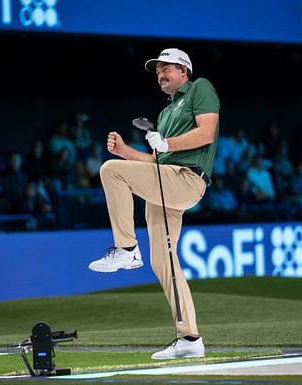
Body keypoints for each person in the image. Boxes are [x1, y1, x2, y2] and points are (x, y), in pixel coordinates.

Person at [88, 48, 220, 360]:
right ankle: (189, 337)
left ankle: (127, 249)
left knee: (109, 171)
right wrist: (126, 152)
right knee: (163, 262)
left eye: (166, 68)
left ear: (183, 71)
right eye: (158, 70)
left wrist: (168, 143)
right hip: (164, 181)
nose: (160, 74)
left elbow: (207, 132)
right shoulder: (164, 113)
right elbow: (156, 161)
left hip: (187, 178)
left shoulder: (200, 88)